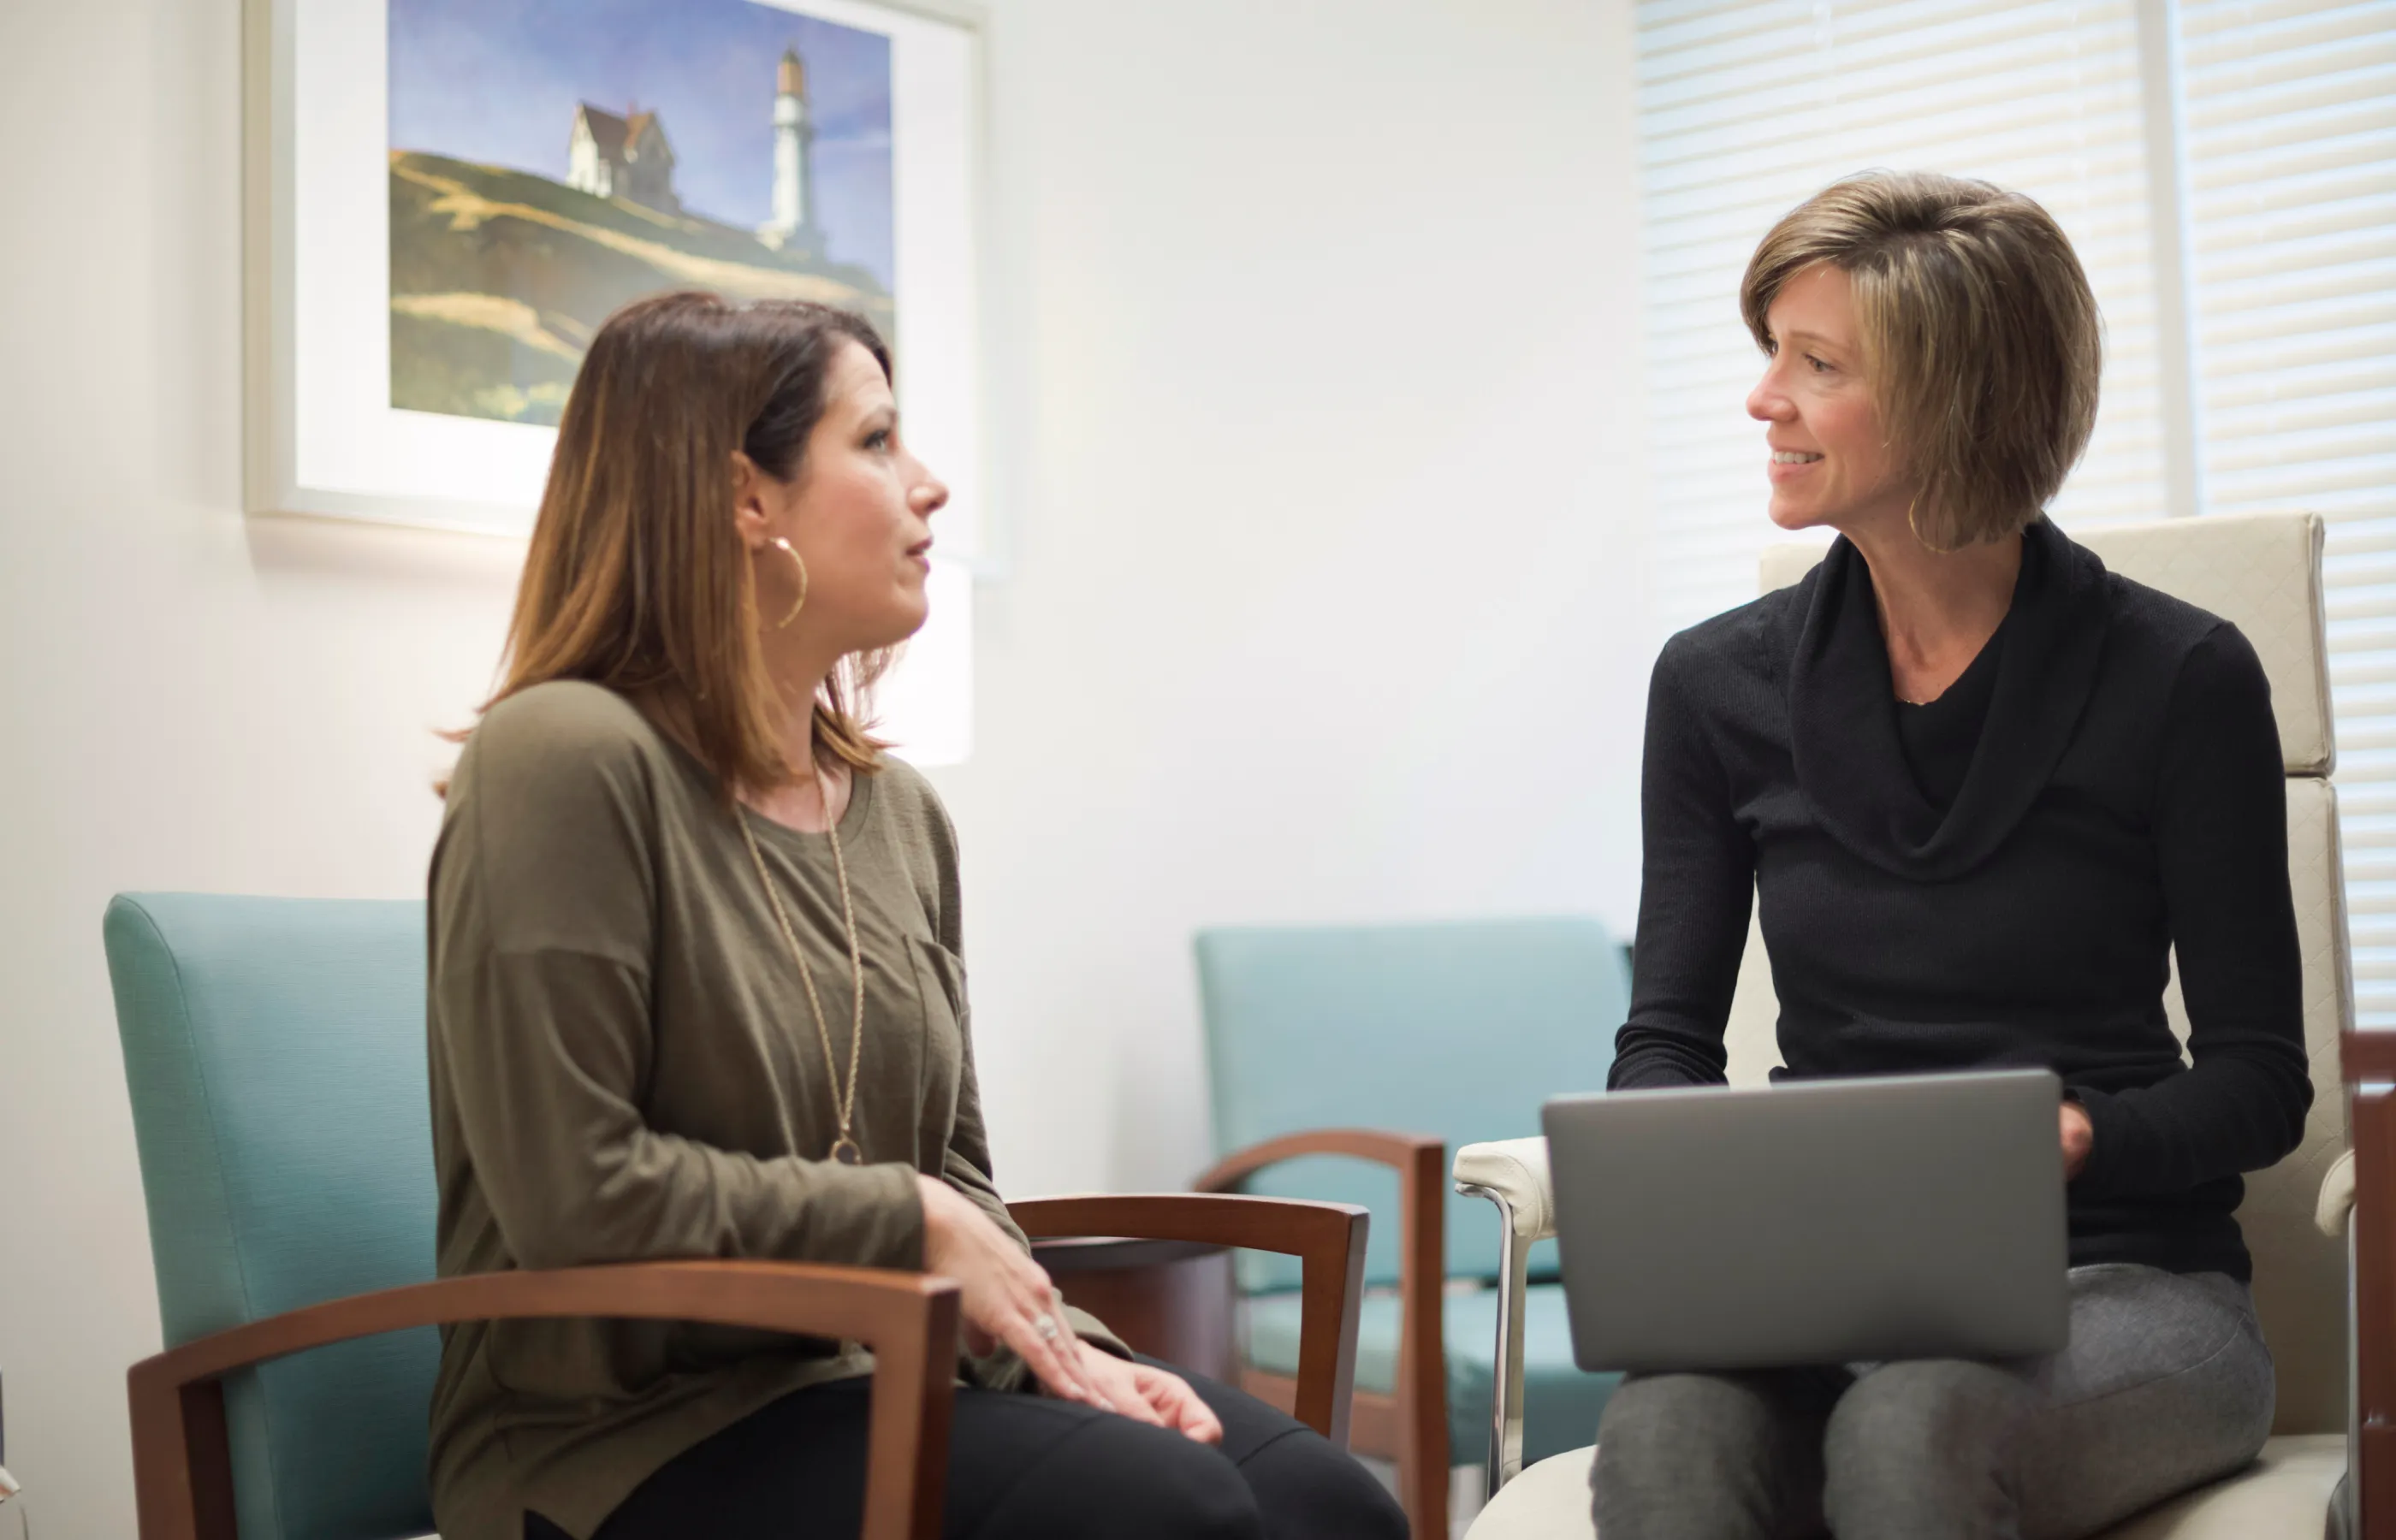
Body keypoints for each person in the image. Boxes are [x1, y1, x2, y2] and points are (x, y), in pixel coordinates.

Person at [425, 292, 1408, 1540]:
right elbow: (577, 1197)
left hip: (867, 1382)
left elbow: (957, 1179)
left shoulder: (897, 816)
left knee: (1327, 1505)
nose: (929, 486)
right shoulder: (564, 755)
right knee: (1176, 1513)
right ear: (746, 498)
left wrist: (1075, 1359)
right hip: (619, 1442)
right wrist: (909, 1222)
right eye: (878, 441)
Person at [1591, 172, 2313, 1539]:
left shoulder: (2182, 678)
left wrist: (2080, 1138)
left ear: (1950, 397)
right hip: (1825, 1285)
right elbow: (1667, 1040)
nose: (1765, 401)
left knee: (1916, 1420)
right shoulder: (1711, 686)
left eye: (1817, 366)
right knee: (1665, 1428)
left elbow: (2261, 1085)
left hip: (2132, 1287)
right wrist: (1669, 1157)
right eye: (1771, 356)